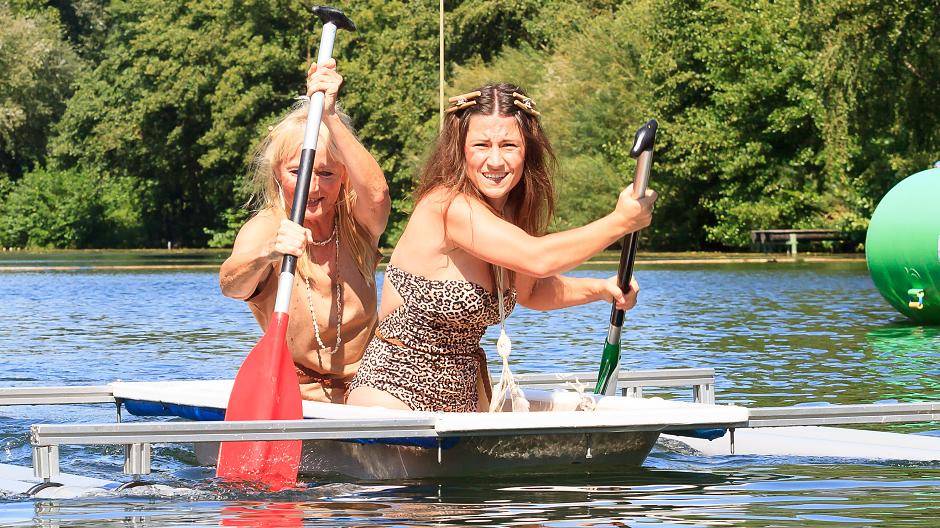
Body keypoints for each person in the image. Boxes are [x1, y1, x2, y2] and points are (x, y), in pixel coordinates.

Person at [346, 83, 657, 412]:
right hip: (392, 394)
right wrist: (620, 222)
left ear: (527, 150)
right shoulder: (447, 206)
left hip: (464, 400)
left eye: (509, 145)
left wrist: (601, 289)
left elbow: (531, 290)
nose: (495, 160)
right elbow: (537, 258)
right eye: (481, 145)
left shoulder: (512, 213)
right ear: (461, 150)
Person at [219, 59, 389, 403]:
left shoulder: (358, 224)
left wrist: (330, 115)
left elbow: (377, 195)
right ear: (277, 173)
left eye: (326, 174)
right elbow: (231, 285)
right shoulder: (266, 228)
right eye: (298, 172)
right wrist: (267, 253)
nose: (312, 187)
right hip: (297, 395)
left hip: (367, 390)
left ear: (343, 177)